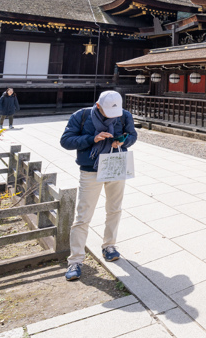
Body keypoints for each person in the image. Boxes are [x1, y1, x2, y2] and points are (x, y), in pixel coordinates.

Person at [60, 90, 137, 282]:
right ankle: (75, 260)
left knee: (114, 209)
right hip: (90, 170)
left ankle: (109, 246)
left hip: (116, 166)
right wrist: (92, 139)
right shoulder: (82, 116)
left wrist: (123, 140)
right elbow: (66, 141)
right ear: (98, 106)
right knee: (83, 215)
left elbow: (132, 136)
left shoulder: (124, 115)